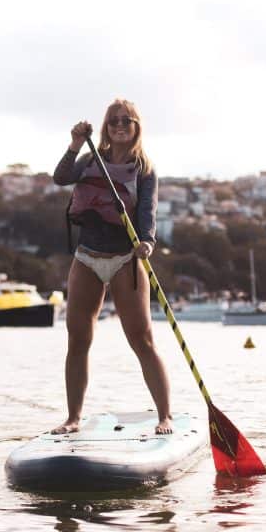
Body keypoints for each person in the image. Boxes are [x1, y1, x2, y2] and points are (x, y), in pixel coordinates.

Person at [50, 99, 173, 435]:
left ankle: (165, 416)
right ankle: (73, 418)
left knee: (141, 339)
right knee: (78, 337)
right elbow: (60, 177)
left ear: (136, 127)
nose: (120, 125)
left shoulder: (144, 169)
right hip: (87, 256)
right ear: (105, 127)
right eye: (113, 121)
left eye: (126, 121)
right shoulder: (91, 160)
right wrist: (74, 144)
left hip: (125, 260)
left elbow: (147, 213)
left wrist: (147, 242)